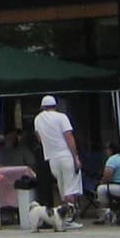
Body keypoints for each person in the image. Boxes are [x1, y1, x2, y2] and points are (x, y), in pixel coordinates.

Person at [33, 95, 84, 230]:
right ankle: (69, 219)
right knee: (70, 189)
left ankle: (63, 218)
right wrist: (76, 157)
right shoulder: (62, 117)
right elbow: (69, 136)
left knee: (62, 188)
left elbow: (39, 138)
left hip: (52, 158)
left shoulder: (37, 119)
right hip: (65, 155)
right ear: (55, 106)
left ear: (42, 106)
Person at [99, 141, 120, 223]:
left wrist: (101, 182)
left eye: (107, 149)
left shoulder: (112, 159)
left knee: (101, 189)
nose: (106, 151)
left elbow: (107, 176)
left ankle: (105, 212)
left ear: (111, 150)